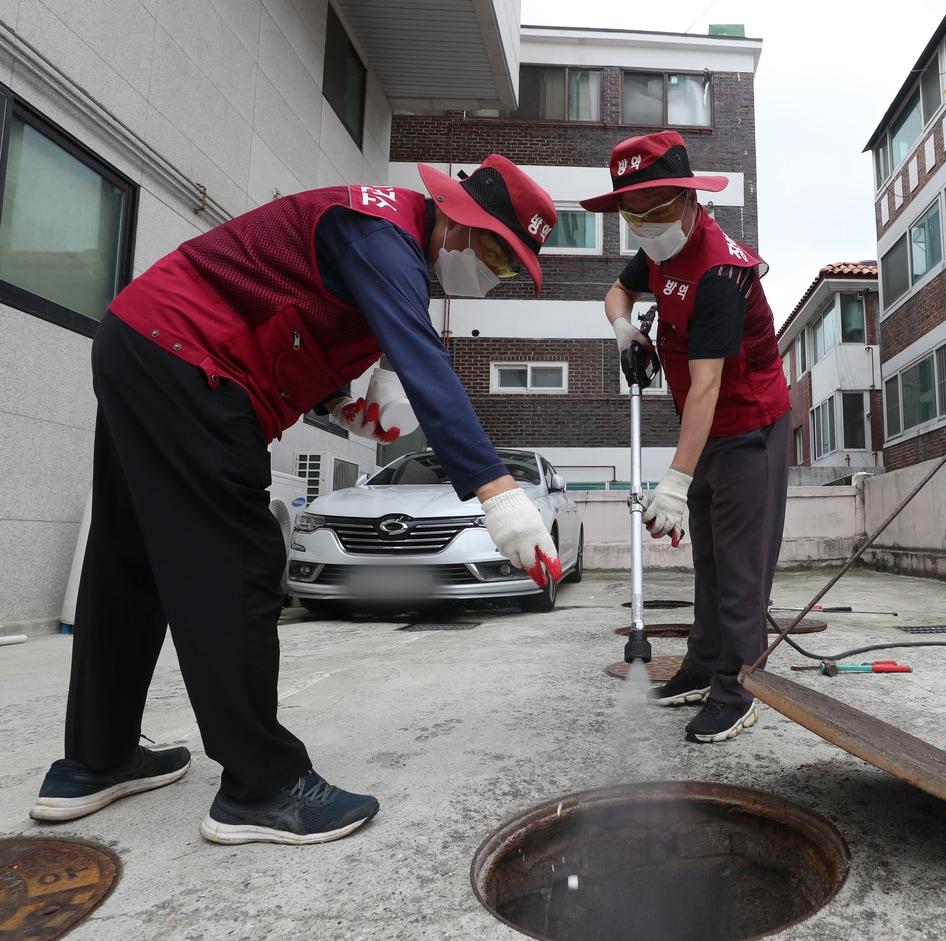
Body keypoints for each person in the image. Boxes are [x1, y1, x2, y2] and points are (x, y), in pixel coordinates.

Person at [30, 158, 565, 845]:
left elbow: (286, 312)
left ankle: (92, 762)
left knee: (128, 560)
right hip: (191, 361)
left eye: (513, 268)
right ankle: (262, 785)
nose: (497, 273)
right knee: (243, 565)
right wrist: (500, 495)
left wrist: (340, 404)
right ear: (458, 215)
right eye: (496, 250)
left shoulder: (381, 235)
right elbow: (426, 362)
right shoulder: (382, 234)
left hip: (141, 341)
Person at [583, 131, 791, 743]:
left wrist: (673, 481)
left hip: (749, 427)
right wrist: (627, 332)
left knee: (742, 568)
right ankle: (703, 666)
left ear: (690, 199)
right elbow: (617, 291)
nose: (646, 223)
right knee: (708, 556)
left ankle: (740, 687)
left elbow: (706, 388)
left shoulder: (720, 272)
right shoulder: (658, 251)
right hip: (704, 432)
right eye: (633, 212)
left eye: (658, 208)